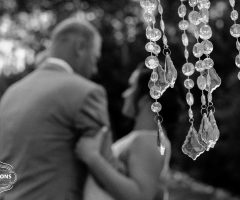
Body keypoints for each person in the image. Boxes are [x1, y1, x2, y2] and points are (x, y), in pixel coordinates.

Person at [0, 18, 113, 200]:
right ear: (81, 47)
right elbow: (107, 166)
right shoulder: (86, 91)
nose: (94, 69)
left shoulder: (11, 94)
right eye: (95, 58)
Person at [78, 63, 171, 200]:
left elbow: (140, 196)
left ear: (145, 99)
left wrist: (93, 158)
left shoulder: (149, 140)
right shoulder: (146, 139)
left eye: (132, 87)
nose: (125, 94)